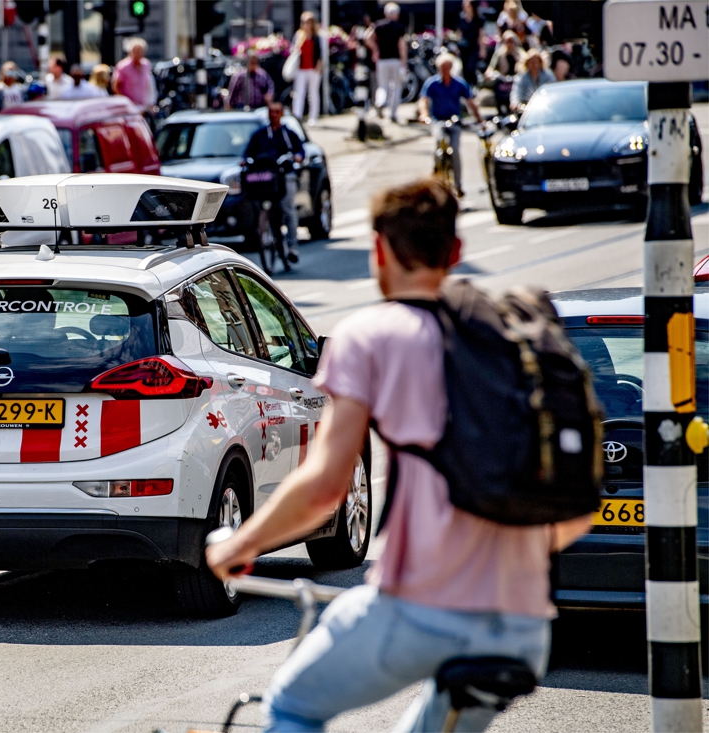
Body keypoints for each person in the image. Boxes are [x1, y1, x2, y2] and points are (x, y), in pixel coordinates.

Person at [206, 176, 594, 733]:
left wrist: (238, 545)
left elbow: (324, 488)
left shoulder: (374, 334)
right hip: (522, 625)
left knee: (291, 705)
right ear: (456, 252)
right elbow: (574, 509)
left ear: (379, 250)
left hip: (423, 607)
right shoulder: (513, 339)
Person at [244, 101, 304, 264]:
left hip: (286, 176)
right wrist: (245, 160)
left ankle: (292, 247)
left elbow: (300, 150)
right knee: (260, 205)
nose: (274, 115)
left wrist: (297, 156)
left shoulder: (288, 134)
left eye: (277, 112)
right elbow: (247, 153)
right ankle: (265, 227)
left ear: (282, 114)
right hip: (267, 178)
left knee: (288, 209)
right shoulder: (260, 135)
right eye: (271, 112)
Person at [419, 54, 482, 197]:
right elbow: (424, 100)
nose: (445, 70)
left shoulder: (459, 83)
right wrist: (424, 115)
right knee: (438, 143)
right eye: (442, 68)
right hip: (438, 120)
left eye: (447, 67)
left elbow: (471, 102)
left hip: (455, 121)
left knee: (454, 151)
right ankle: (436, 168)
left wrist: (479, 120)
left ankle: (458, 185)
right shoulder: (432, 83)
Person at [368, 3, 407, 123]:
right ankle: (393, 114)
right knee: (396, 86)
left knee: (382, 85)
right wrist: (404, 62)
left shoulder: (378, 25)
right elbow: (402, 45)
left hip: (382, 60)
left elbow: (367, 36)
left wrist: (375, 50)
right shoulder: (399, 27)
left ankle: (380, 102)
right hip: (395, 60)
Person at [291, 11, 323, 126]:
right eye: (304, 22)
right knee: (299, 93)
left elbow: (320, 54)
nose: (305, 24)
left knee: (313, 93)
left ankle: (313, 116)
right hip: (301, 69)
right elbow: (294, 51)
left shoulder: (316, 37)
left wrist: (319, 68)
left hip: (313, 69)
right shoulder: (298, 36)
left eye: (308, 22)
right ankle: (297, 116)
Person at [112, 38, 157, 111]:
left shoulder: (146, 64)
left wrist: (151, 103)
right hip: (129, 108)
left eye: (140, 51)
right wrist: (128, 102)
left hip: (144, 107)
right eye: (136, 51)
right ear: (130, 52)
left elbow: (149, 85)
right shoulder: (122, 66)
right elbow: (115, 88)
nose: (138, 54)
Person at [456, 0, 485, 87]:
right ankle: (467, 86)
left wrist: (482, 49)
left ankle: (474, 84)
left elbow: (481, 35)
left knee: (471, 67)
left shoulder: (479, 19)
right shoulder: (461, 17)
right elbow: (459, 33)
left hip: (473, 47)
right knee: (464, 68)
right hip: (464, 48)